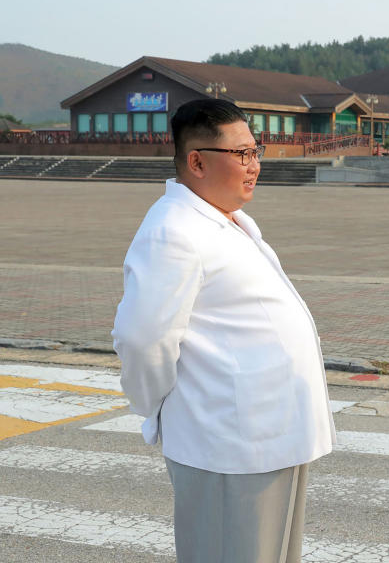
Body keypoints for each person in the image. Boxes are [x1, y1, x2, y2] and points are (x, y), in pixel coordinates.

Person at [112, 98, 336, 563]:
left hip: (271, 436)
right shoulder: (172, 231)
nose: (254, 166)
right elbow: (143, 340)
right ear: (196, 161)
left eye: (256, 152)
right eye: (241, 155)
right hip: (228, 444)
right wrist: (155, 409)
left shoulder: (226, 221)